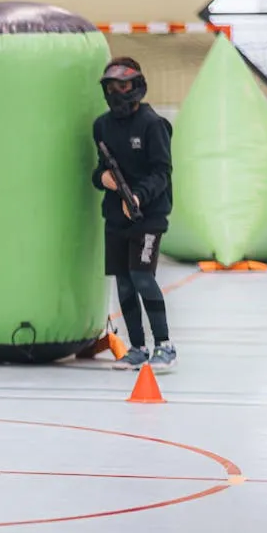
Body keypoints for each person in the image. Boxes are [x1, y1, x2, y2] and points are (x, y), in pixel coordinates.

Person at [90, 57, 175, 371]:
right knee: (124, 282)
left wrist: (138, 196)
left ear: (136, 86)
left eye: (123, 86)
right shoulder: (101, 126)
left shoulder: (153, 125)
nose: (117, 92)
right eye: (112, 87)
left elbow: (162, 171)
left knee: (142, 276)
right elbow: (98, 171)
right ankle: (137, 348)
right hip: (115, 217)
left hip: (149, 216)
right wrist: (103, 180)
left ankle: (165, 345)